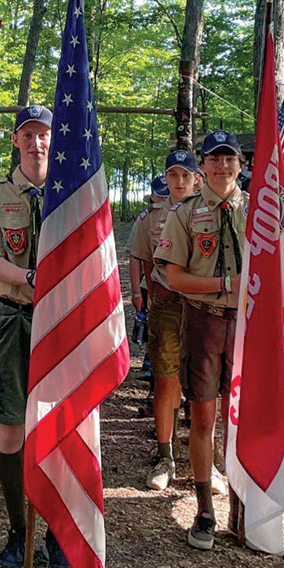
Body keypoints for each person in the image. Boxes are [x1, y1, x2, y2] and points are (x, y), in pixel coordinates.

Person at [0, 105, 72, 568]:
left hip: (61, 325)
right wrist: (36, 277)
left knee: (57, 427)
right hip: (15, 319)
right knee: (10, 427)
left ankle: (55, 533)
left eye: (44, 134)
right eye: (28, 135)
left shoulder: (72, 192)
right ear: (16, 141)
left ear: (55, 139)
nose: (37, 143)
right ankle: (17, 531)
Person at [154, 130, 247, 551]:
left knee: (243, 417)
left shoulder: (260, 211)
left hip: (248, 327)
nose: (222, 166)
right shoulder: (186, 213)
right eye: (214, 159)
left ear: (240, 166)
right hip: (205, 322)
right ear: (202, 167)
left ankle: (246, 507)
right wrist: (228, 283)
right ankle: (205, 510)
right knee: (205, 418)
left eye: (229, 159)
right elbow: (174, 277)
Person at [129, 150, 201, 491]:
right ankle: (165, 455)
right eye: (174, 175)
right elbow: (142, 258)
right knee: (165, 379)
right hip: (167, 302)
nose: (180, 181)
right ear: (166, 178)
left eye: (186, 175)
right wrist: (144, 295)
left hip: (204, 305)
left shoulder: (211, 212)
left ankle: (207, 460)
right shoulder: (151, 217)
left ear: (196, 179)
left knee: (204, 382)